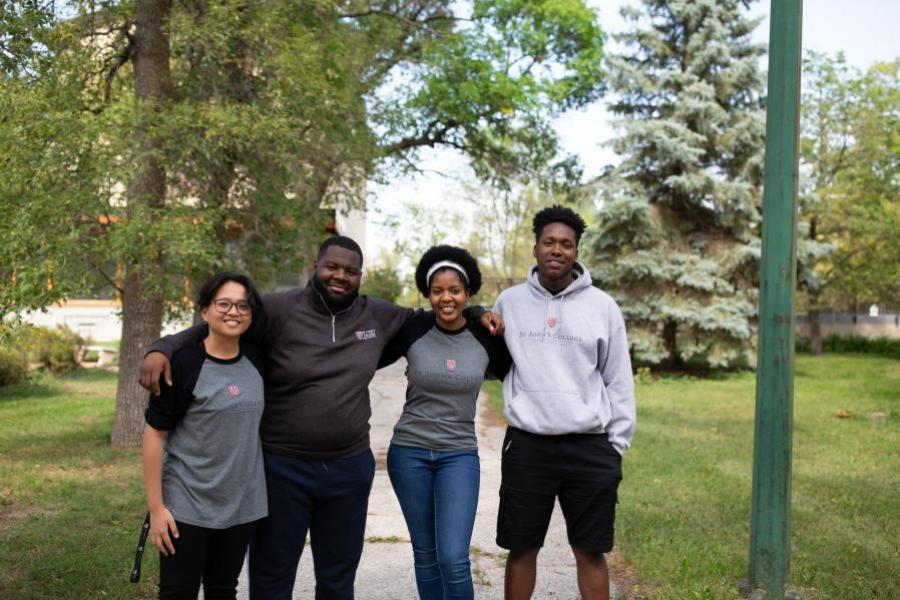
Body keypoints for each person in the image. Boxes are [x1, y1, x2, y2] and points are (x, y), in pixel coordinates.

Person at [138, 236, 502, 600]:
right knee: (272, 576)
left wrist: (476, 311)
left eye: (351, 271)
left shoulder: (378, 316)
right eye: (332, 267)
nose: (340, 275)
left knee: (337, 579)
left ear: (361, 276)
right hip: (282, 469)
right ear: (316, 267)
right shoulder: (278, 309)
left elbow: (440, 312)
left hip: (347, 470)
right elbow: (222, 320)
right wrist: (163, 347)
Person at [492, 206, 636, 600]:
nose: (557, 250)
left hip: (589, 447)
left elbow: (618, 379)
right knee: (522, 548)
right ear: (536, 248)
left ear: (576, 251)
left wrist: (616, 444)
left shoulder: (602, 306)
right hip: (528, 444)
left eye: (566, 244)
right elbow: (491, 356)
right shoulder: (509, 302)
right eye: (549, 242)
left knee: (589, 550)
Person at [380, 246, 511, 600]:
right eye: (438, 290)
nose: (446, 298)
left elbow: (520, 372)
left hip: (459, 454)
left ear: (467, 293)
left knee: (453, 557)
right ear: (428, 293)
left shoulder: (485, 335)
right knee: (425, 556)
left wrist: (481, 313)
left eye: (454, 290)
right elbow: (367, 352)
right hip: (409, 453)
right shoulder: (414, 328)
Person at [142, 272, 267, 600]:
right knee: (178, 592)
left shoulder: (258, 358)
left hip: (241, 504)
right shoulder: (183, 364)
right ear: (205, 311)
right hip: (187, 503)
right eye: (223, 303)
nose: (234, 312)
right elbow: (154, 436)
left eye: (243, 305)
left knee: (223, 589)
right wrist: (156, 509)